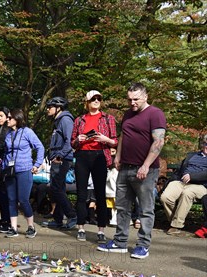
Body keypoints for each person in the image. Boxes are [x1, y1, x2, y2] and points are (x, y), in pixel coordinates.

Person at [98, 82, 166, 259]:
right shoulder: (128, 114)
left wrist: (145, 165)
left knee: (145, 209)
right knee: (122, 207)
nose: (132, 103)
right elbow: (123, 137)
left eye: (136, 99)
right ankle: (120, 242)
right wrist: (118, 157)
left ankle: (143, 245)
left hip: (146, 170)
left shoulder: (155, 114)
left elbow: (158, 142)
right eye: (129, 100)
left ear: (145, 97)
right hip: (125, 167)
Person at [71, 90, 118, 243]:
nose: (96, 101)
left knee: (100, 194)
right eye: (93, 99)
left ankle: (101, 230)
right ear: (87, 102)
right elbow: (72, 143)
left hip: (100, 156)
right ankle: (81, 228)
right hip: (82, 156)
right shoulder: (79, 120)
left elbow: (115, 141)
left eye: (99, 99)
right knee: (81, 194)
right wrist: (78, 139)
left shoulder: (108, 118)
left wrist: (105, 139)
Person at [1, 109, 45, 238]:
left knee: (23, 199)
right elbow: (7, 153)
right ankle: (13, 228)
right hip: (10, 171)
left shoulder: (27, 132)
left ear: (17, 119)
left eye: (10, 117)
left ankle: (31, 226)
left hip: (24, 169)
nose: (7, 119)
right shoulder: (8, 134)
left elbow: (40, 147)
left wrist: (37, 164)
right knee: (11, 199)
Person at [160, 134, 207, 236]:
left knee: (187, 193)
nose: (206, 146)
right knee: (165, 197)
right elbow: (179, 170)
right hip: (181, 182)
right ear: (202, 144)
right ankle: (175, 220)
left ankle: (176, 226)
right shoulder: (192, 155)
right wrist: (172, 180)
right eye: (205, 144)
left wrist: (193, 176)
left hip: (200, 186)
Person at [43, 96, 77, 230]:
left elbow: (70, 141)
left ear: (59, 108)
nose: (47, 109)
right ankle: (58, 220)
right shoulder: (59, 121)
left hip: (62, 159)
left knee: (56, 188)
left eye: (50, 107)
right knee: (58, 189)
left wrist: (59, 155)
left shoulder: (66, 120)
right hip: (57, 158)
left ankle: (72, 215)